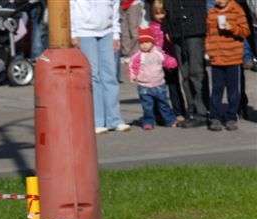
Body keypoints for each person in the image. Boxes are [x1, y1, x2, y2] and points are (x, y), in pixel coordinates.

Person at [71, 0, 132, 134]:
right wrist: (73, 33)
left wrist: (116, 34)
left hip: (107, 32)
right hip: (84, 32)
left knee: (110, 75)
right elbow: (71, 7)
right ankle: (97, 120)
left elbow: (115, 8)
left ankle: (114, 119)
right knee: (93, 76)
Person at [164, 0, 210, 128]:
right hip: (176, 29)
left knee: (196, 72)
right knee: (185, 75)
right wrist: (167, 27)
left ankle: (202, 112)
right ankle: (191, 110)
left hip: (194, 26)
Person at [205, 0, 250, 130]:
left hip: (233, 58)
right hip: (217, 59)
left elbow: (245, 31)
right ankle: (215, 117)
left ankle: (231, 117)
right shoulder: (212, 12)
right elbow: (209, 34)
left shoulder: (237, 10)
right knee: (216, 90)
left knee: (233, 91)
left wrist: (232, 28)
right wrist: (209, 50)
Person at [128, 27, 179, 129]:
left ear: (152, 42)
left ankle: (170, 120)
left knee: (163, 104)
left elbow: (166, 59)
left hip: (159, 84)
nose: (144, 45)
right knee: (147, 106)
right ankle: (148, 121)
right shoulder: (138, 56)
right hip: (144, 86)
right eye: (142, 43)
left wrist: (173, 63)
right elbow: (132, 66)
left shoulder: (158, 53)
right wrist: (133, 75)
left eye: (147, 42)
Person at [150, 0, 187, 118]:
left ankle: (179, 111)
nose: (160, 16)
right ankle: (158, 113)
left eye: (162, 13)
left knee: (174, 85)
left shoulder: (170, 26)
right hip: (156, 62)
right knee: (157, 88)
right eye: (157, 13)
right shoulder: (151, 27)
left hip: (170, 60)